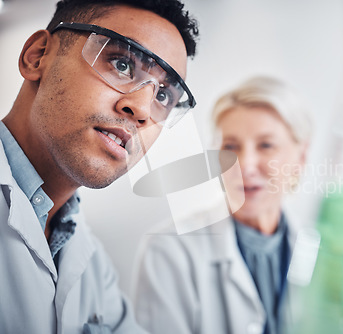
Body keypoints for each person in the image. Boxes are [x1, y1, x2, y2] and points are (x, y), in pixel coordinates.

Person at [0, 0, 198, 333]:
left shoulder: (94, 268)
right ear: (37, 56)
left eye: (163, 97)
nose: (142, 110)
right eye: (122, 64)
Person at [133, 76, 312, 334]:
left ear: (301, 157)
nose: (245, 164)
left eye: (266, 145)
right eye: (231, 146)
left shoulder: (325, 249)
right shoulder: (170, 250)